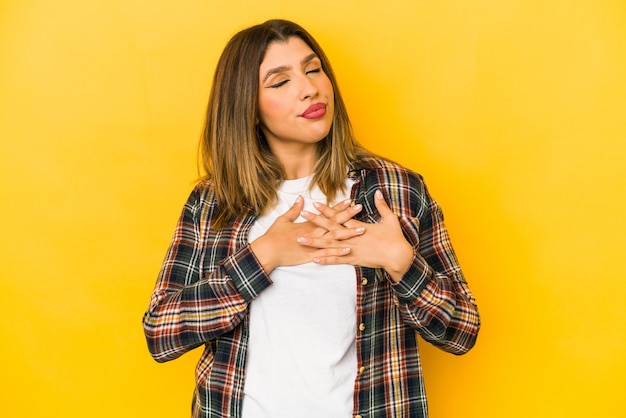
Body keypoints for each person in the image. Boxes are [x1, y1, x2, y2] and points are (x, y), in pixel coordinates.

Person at [143, 19, 480, 418]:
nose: (310, 88)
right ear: (246, 107)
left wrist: (400, 262)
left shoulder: (396, 191)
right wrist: (263, 255)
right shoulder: (213, 203)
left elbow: (462, 332)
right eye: (279, 81)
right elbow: (161, 335)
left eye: (313, 69)